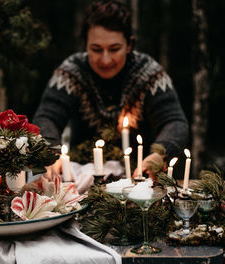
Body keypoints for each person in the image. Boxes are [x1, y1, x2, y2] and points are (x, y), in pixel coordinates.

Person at [33, 0, 188, 180]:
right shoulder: (70, 72)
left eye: (114, 49)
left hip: (138, 178)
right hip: (82, 177)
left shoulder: (150, 74)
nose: (106, 60)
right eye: (96, 49)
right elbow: (47, 117)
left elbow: (175, 122)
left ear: (129, 45)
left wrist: (159, 154)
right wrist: (52, 152)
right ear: (85, 45)